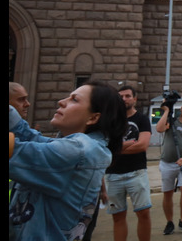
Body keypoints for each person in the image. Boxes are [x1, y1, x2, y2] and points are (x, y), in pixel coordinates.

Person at [9, 81, 127, 240]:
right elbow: (30, 136)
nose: (61, 102)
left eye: (74, 100)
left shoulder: (80, 151)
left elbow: (20, 150)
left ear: (93, 117)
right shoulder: (79, 147)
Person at [106, 85, 152, 241]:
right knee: (117, 217)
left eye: (127, 96)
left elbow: (142, 145)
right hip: (113, 174)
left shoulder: (142, 119)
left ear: (134, 98)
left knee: (143, 213)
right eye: (121, 96)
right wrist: (128, 145)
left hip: (137, 172)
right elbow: (105, 147)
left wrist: (115, 149)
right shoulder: (110, 120)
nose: (124, 99)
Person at [155, 100, 182, 235]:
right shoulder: (171, 122)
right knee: (168, 192)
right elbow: (159, 128)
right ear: (181, 109)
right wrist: (166, 111)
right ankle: (169, 222)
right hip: (167, 162)